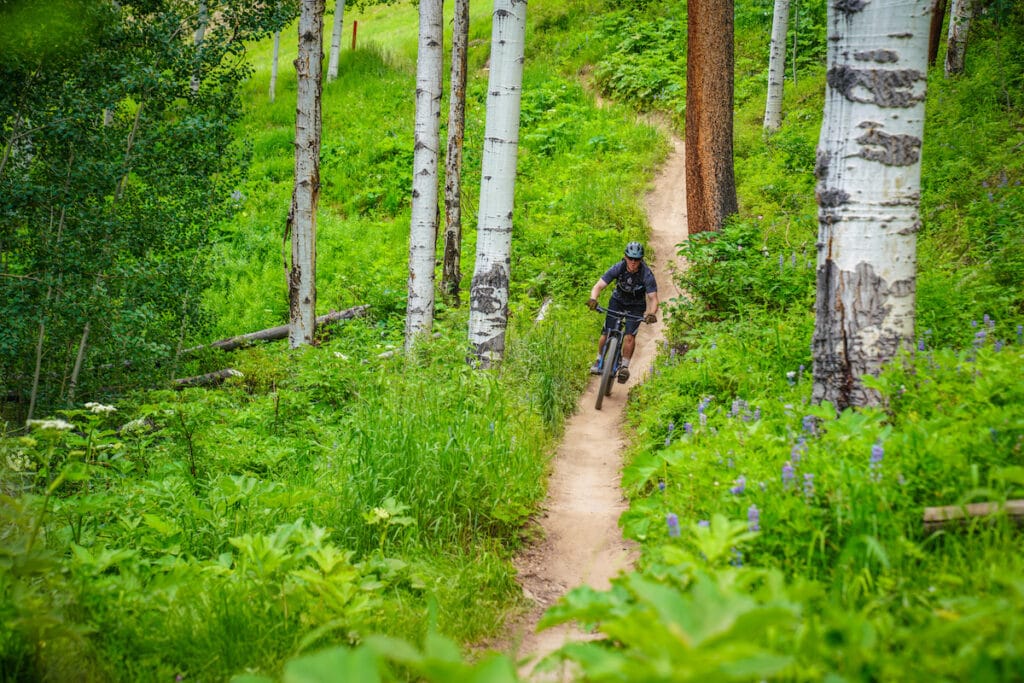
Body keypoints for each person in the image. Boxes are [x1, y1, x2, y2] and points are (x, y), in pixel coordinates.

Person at [587, 241, 659, 383]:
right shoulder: (618, 268)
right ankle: (599, 359)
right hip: (617, 301)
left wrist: (652, 313)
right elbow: (599, 286)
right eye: (630, 258)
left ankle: (624, 366)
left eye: (637, 259)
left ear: (641, 259)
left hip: (636, 306)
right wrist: (593, 299)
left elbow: (653, 298)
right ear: (625, 257)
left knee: (629, 336)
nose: (633, 262)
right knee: (606, 331)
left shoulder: (646, 274)